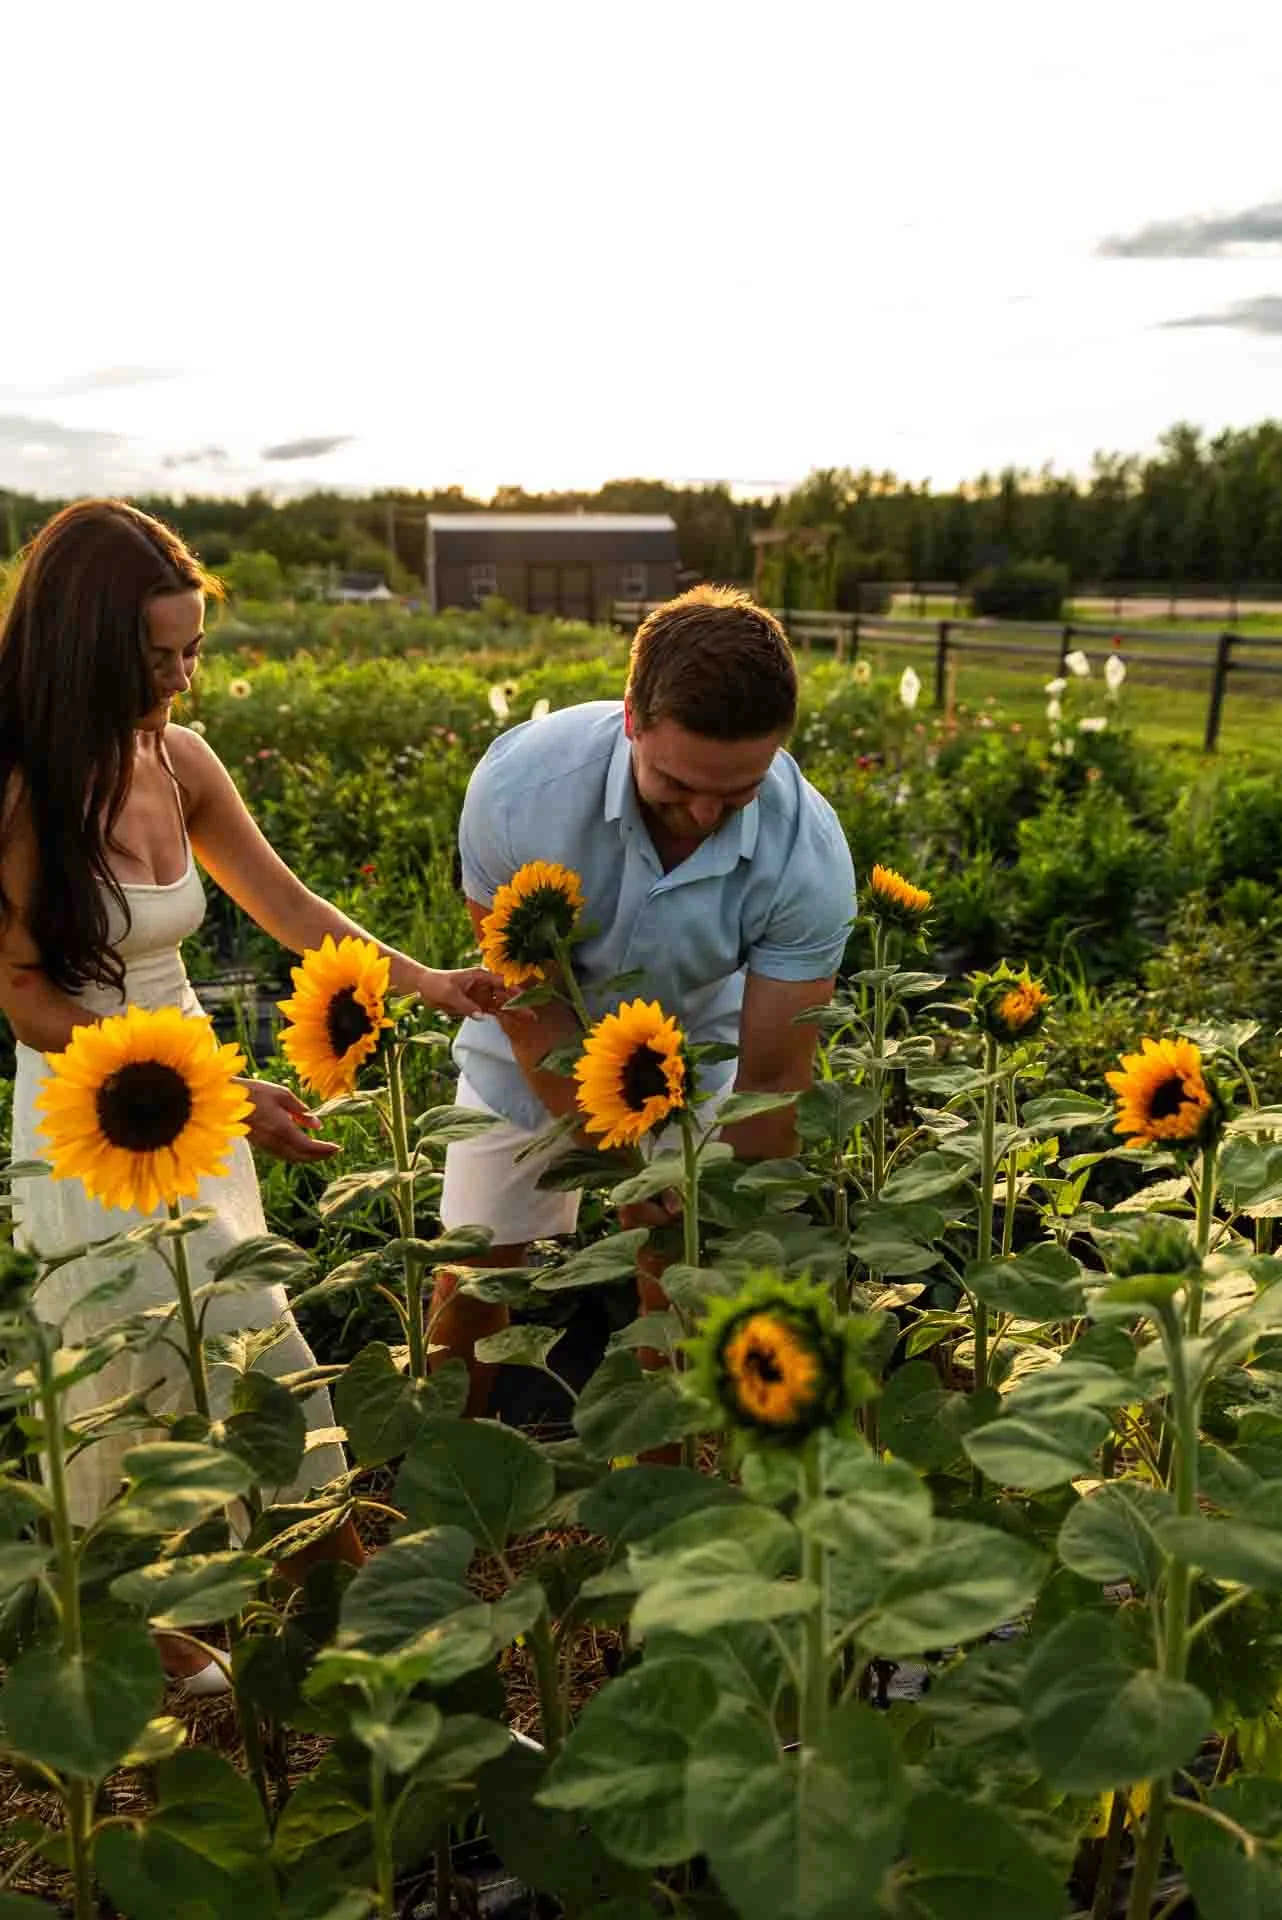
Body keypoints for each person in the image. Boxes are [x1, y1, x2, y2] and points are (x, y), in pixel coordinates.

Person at [0, 500, 505, 1684]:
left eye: (192, 652)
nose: (179, 678)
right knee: (164, 1363)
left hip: (195, 1096)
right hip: (93, 1112)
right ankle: (169, 1644)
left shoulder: (178, 759)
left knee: (217, 1350)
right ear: (84, 651)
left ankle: (348, 1657)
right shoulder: (22, 791)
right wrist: (209, 1090)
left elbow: (287, 907)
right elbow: (25, 997)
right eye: (154, 656)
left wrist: (430, 981)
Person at [432, 584, 855, 1413]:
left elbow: (773, 1077)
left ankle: (665, 1478)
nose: (703, 814)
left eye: (736, 794)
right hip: (529, 1051)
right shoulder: (520, 788)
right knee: (477, 1268)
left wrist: (716, 1208)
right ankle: (445, 1467)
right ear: (633, 717)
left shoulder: (808, 856)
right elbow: (530, 1004)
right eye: (678, 783)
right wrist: (623, 1163)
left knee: (683, 1288)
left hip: (700, 1060)